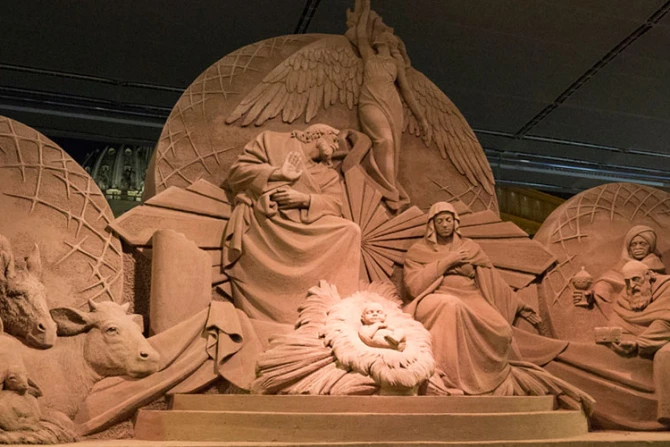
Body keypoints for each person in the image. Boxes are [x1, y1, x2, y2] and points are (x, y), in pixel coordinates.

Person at [222, 124, 361, 324]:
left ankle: (340, 312)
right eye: (334, 139)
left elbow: (335, 204)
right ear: (318, 134)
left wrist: (304, 199)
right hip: (267, 222)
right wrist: (278, 173)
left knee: (350, 231)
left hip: (305, 226)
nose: (336, 145)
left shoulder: (328, 174)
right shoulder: (272, 141)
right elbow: (237, 173)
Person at [403, 202, 541, 395]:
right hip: (435, 295)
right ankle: (445, 376)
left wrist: (519, 305)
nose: (445, 224)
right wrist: (447, 261)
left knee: (502, 329)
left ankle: (485, 379)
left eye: (448, 220)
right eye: (440, 221)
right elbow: (414, 286)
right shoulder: (418, 251)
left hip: (470, 295)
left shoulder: (469, 248)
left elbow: (493, 281)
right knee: (451, 306)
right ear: (432, 225)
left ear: (455, 222)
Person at [350, 0, 429, 212]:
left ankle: (389, 190)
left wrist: (421, 118)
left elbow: (407, 91)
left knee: (392, 146)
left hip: (391, 104)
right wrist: (365, 7)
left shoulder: (395, 64)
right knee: (384, 141)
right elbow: (360, 32)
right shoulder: (369, 56)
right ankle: (386, 188)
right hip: (370, 101)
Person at [591, 225, 666, 312]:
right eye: (633, 244)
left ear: (650, 246)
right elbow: (607, 280)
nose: (638, 247)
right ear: (629, 248)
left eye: (642, 244)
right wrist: (592, 294)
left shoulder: (657, 267)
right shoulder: (621, 265)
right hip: (621, 309)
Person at [607, 260, 670, 358]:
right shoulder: (627, 292)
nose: (632, 285)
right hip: (631, 339)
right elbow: (616, 317)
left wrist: (639, 343)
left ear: (648, 275)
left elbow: (666, 322)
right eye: (627, 281)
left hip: (654, 340)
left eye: (636, 279)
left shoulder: (667, 287)